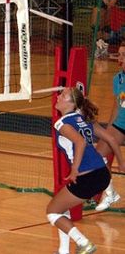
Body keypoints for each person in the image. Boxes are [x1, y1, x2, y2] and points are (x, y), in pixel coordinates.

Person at [47, 87, 125, 254]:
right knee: (62, 208)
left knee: (52, 212)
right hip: (103, 174)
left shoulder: (62, 123)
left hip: (87, 177)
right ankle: (63, 251)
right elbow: (111, 138)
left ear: (72, 103)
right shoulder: (84, 118)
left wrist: (74, 169)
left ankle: (84, 243)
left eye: (63, 95)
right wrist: (121, 162)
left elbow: (80, 142)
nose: (58, 96)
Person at [95, 41, 125, 211]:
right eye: (119, 54)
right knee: (98, 156)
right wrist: (109, 130)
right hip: (120, 125)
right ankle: (110, 191)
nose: (119, 58)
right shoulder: (118, 79)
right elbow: (117, 105)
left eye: (123, 55)